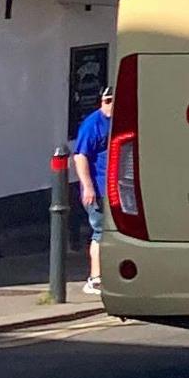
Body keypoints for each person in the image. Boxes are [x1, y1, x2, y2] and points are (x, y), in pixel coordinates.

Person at [69, 85, 115, 296]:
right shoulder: (92, 124)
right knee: (100, 232)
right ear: (101, 101)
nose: (111, 105)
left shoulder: (120, 121)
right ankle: (95, 279)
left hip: (116, 188)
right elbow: (80, 156)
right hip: (98, 188)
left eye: (115, 100)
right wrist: (88, 187)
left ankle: (110, 275)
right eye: (108, 101)